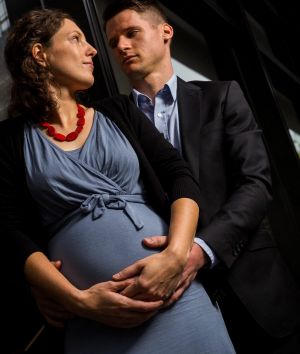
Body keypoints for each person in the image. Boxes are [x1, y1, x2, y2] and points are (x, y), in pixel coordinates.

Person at [0, 8, 237, 354]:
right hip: (94, 320)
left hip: (178, 300)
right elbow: (9, 231)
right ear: (40, 53)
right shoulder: (9, 139)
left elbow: (180, 176)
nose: (93, 49)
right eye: (76, 38)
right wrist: (79, 301)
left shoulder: (120, 111)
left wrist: (176, 254)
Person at [100, 0, 300, 353]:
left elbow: (256, 183)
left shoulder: (222, 97)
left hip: (253, 286)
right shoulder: (113, 121)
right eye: (114, 42)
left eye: (131, 33)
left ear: (166, 32)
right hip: (168, 307)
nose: (122, 47)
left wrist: (197, 251)